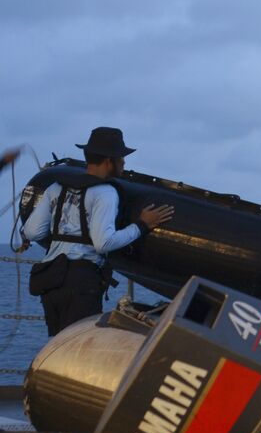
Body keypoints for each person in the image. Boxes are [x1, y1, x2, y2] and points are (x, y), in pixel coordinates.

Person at [20, 127, 174, 336]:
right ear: (109, 161)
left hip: (52, 282)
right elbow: (103, 243)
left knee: (59, 345)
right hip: (82, 282)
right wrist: (142, 225)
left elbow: (32, 232)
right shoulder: (105, 193)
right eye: (121, 158)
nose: (124, 163)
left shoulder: (57, 187)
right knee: (77, 346)